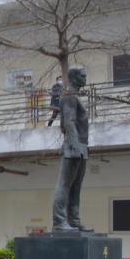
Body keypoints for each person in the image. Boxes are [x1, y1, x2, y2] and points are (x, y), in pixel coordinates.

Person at [52, 67, 91, 231]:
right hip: (74, 147)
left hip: (81, 146)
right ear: (74, 77)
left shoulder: (74, 97)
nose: (85, 78)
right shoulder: (69, 97)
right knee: (65, 184)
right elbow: (68, 122)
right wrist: (74, 145)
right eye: (82, 76)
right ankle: (59, 222)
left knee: (76, 187)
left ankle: (74, 220)